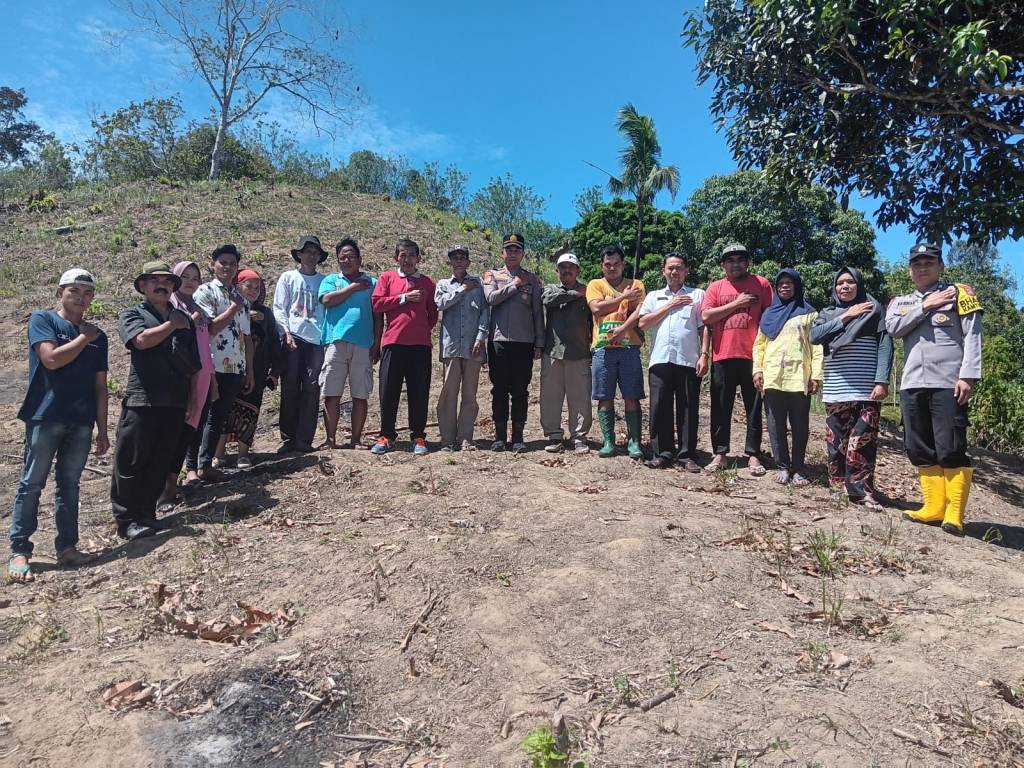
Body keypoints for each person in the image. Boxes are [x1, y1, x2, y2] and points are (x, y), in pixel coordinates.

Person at [8, 269, 109, 582]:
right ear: (60, 292)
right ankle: (20, 550)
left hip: (81, 421)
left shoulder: (99, 336)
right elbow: (51, 359)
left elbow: (100, 387)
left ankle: (67, 547)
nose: (81, 297)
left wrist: (103, 429)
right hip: (46, 415)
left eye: (87, 292)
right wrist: (83, 337)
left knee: (69, 484)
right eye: (74, 290)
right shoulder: (44, 320)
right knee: (32, 483)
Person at [885, 243, 982, 536]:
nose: (922, 268)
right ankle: (933, 507)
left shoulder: (959, 295)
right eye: (917, 264)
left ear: (941, 266)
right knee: (918, 446)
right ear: (910, 270)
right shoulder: (900, 302)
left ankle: (954, 514)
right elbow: (893, 329)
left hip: (948, 383)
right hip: (913, 383)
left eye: (929, 262)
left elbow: (973, 335)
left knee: (950, 447)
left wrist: (968, 376)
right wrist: (926, 305)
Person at [112, 261, 198, 540]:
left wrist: (193, 397)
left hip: (175, 400)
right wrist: (172, 325)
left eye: (167, 281)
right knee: (131, 461)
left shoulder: (183, 318)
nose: (162, 285)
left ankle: (146, 514)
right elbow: (140, 341)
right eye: (155, 280)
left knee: (160, 460)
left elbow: (193, 363)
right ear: (143, 286)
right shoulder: (133, 314)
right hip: (143, 400)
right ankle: (126, 520)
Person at [811, 266, 894, 510]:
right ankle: (839, 487)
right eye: (840, 283)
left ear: (859, 284)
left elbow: (885, 345)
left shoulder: (873, 309)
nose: (844, 286)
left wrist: (882, 381)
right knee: (836, 442)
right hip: (836, 388)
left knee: (862, 443)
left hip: (866, 388)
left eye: (850, 282)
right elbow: (814, 336)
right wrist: (846, 316)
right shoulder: (827, 313)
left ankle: (862, 492)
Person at [701, 243, 774, 474]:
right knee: (720, 407)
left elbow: (771, 316)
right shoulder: (715, 288)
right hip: (722, 355)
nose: (736, 264)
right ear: (723, 265)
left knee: (754, 406)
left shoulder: (761, 284)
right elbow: (706, 317)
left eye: (741, 259)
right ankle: (720, 453)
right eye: (730, 260)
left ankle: (753, 454)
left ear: (748, 262)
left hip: (754, 356)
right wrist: (737, 303)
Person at [638, 253, 708, 471]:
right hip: (660, 359)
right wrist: (670, 305)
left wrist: (705, 354)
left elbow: (704, 327)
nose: (674, 272)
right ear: (664, 271)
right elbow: (643, 323)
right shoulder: (654, 296)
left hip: (688, 359)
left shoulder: (697, 294)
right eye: (670, 268)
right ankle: (662, 453)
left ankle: (687, 455)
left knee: (688, 408)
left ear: (686, 271)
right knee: (659, 407)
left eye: (678, 268)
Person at [752, 269, 822, 486]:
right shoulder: (768, 314)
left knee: (800, 425)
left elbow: (817, 345)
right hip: (773, 376)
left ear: (797, 286)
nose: (784, 286)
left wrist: (816, 375)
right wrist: (757, 370)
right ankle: (782, 466)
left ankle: (798, 468)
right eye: (781, 283)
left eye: (789, 283)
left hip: (799, 377)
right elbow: (759, 345)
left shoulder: (809, 314)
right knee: (775, 425)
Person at [370, 239, 438, 454]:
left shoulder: (427, 283)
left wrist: (419, 329)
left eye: (411, 255)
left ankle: (418, 437)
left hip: (420, 345)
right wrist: (403, 298)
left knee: (419, 392)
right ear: (396, 258)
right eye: (402, 255)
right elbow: (377, 304)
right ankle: (386, 435)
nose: (407, 259)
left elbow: (433, 314)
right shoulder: (387, 278)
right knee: (388, 391)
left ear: (418, 258)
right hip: (393, 343)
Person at [159, 260, 217, 507]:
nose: (191, 281)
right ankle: (163, 489)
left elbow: (206, 347)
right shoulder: (172, 306)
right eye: (185, 276)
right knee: (173, 431)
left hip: (202, 377)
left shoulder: (197, 307)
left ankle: (173, 483)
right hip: (182, 378)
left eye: (195, 277)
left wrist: (212, 379)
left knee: (188, 432)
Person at [194, 244, 253, 479]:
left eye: (233, 263)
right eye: (223, 263)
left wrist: (249, 370)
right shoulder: (205, 291)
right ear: (212, 265)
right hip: (211, 365)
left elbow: (246, 336)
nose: (228, 267)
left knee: (218, 417)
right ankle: (192, 467)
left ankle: (205, 464)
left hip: (235, 366)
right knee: (201, 416)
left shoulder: (241, 297)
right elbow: (209, 328)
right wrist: (233, 308)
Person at [482, 233, 544, 452]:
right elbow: (491, 298)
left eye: (517, 250)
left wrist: (539, 342)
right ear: (502, 252)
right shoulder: (492, 275)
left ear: (523, 254)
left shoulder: (533, 279)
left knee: (520, 390)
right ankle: (499, 437)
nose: (512, 253)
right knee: (499, 389)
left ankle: (518, 437)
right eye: (509, 249)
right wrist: (515, 284)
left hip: (523, 342)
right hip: (498, 341)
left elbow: (537, 312)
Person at [318, 238, 382, 449]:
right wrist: (353, 288)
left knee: (360, 394)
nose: (346, 261)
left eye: (351, 257)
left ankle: (356, 440)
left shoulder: (372, 283)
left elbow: (378, 316)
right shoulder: (330, 280)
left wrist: (377, 343)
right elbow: (327, 301)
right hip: (335, 342)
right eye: (342, 258)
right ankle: (330, 439)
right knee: (331, 393)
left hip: (364, 344)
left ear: (360, 259)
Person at [586, 244, 646, 459]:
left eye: (616, 264)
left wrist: (622, 329)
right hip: (602, 349)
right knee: (604, 395)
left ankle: (634, 441)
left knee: (632, 394)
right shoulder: (595, 284)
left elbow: (640, 311)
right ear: (602, 266)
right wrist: (623, 298)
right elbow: (596, 308)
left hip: (630, 347)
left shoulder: (636, 284)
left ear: (623, 264)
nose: (612, 268)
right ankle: (608, 441)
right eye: (607, 264)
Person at [272, 235, 327, 453]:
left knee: (311, 389)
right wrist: (285, 332)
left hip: (316, 340)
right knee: (290, 387)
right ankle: (288, 438)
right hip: (293, 337)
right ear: (299, 255)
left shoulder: (325, 281)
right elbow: (279, 307)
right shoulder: (288, 278)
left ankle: (305, 440)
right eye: (307, 252)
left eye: (315, 253)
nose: (312, 256)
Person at [221, 268, 281, 468]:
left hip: (257, 371)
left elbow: (274, 343)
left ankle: (243, 455)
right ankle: (218, 454)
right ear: (237, 286)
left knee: (250, 411)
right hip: (229, 369)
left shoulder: (266, 314)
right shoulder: (227, 308)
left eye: (258, 287)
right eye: (249, 286)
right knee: (224, 411)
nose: (254, 291)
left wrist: (275, 372)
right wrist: (245, 316)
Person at [435, 244, 489, 451]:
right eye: (454, 257)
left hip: (473, 347)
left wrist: (480, 338)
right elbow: (441, 304)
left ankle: (466, 437)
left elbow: (484, 312)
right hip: (451, 347)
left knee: (470, 394)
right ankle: (447, 439)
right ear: (449, 262)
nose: (458, 260)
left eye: (462, 257)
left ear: (468, 261)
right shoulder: (443, 284)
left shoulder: (479, 284)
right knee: (448, 393)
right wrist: (463, 289)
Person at [540, 253, 593, 454]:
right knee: (550, 397)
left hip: (579, 352)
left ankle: (579, 437)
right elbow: (548, 300)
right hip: (553, 352)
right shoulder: (551, 289)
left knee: (580, 399)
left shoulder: (589, 291)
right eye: (563, 267)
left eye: (571, 267)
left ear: (578, 270)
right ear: (557, 271)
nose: (567, 270)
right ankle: (554, 435)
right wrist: (575, 294)